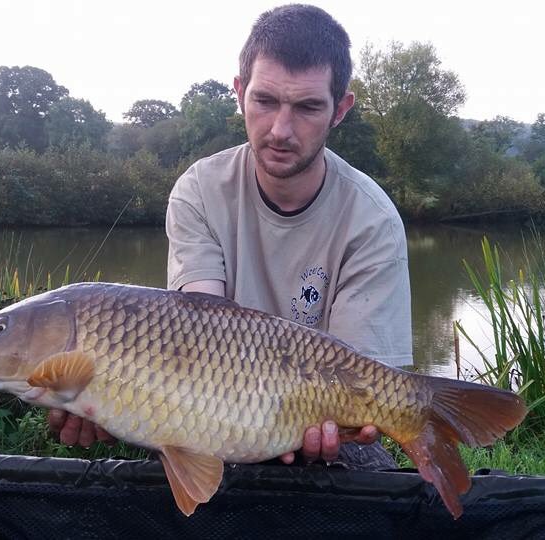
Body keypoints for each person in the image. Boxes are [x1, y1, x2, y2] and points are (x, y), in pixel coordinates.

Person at [49, 4, 413, 471]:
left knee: (365, 470)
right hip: (214, 407)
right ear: (239, 92)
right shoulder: (199, 191)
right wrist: (109, 394)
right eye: (264, 101)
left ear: (340, 109)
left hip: (316, 420)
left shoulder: (372, 219)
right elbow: (196, 328)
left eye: (307, 107)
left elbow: (362, 379)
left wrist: (324, 423)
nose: (281, 130)